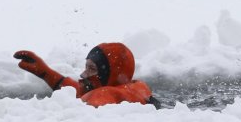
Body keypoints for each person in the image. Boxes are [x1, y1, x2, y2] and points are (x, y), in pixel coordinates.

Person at [14, 42, 159, 107]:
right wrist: (45, 73)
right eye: (86, 67)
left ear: (110, 74)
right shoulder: (134, 89)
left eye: (91, 68)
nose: (84, 74)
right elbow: (80, 90)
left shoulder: (103, 95)